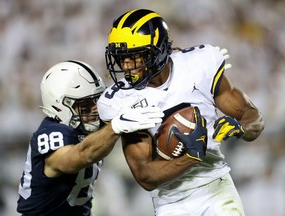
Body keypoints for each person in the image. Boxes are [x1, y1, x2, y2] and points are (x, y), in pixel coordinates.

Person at [97, 9, 265, 216]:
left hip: (215, 187)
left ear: (158, 51)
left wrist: (242, 128)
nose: (127, 66)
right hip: (170, 202)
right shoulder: (121, 99)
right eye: (122, 58)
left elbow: (252, 115)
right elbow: (144, 176)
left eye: (135, 57)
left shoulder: (198, 65)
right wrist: (191, 157)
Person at [16, 60, 164, 216]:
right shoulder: (51, 133)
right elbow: (80, 156)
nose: (95, 110)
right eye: (86, 105)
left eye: (97, 100)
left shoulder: (86, 124)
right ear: (60, 106)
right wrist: (115, 127)